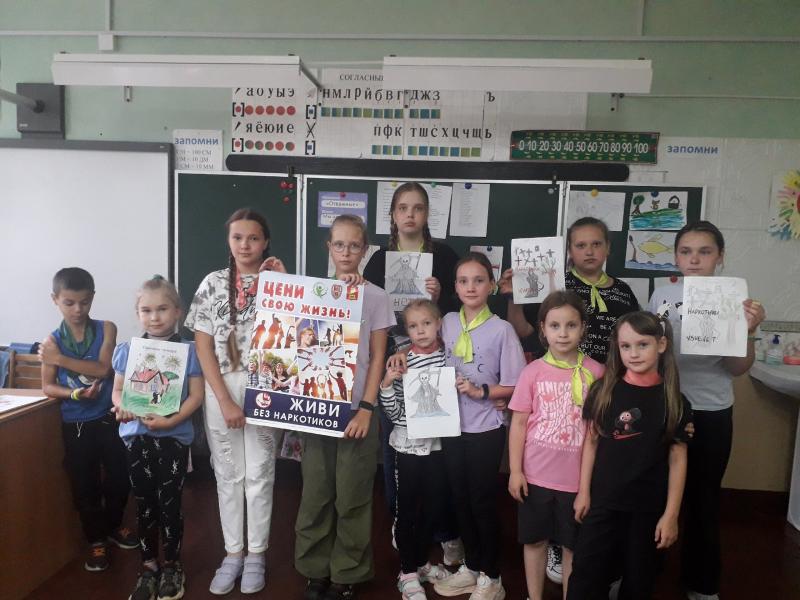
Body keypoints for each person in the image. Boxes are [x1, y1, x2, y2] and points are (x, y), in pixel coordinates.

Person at [499, 216, 639, 582]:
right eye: (580, 245)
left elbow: (637, 339)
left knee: (582, 523)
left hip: (600, 404)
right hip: (542, 453)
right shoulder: (555, 285)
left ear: (608, 248)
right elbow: (523, 328)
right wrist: (514, 295)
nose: (589, 251)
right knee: (539, 532)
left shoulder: (623, 294)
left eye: (596, 244)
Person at [648, 221, 765, 600]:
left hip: (711, 411)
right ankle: (644, 573)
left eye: (705, 252)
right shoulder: (661, 296)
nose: (694, 260)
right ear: (676, 257)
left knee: (703, 500)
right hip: (665, 408)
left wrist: (747, 330)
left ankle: (700, 584)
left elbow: (737, 368)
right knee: (653, 496)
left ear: (720, 256)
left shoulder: (734, 300)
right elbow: (647, 356)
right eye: (686, 252)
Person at [184, 208, 286, 595]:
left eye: (253, 238)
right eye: (237, 237)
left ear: (265, 242)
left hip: (267, 385)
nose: (245, 245)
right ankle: (233, 553)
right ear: (229, 241)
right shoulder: (212, 283)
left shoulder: (278, 281)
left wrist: (284, 281)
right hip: (221, 386)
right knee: (228, 474)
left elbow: (297, 333)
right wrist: (225, 400)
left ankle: (257, 554)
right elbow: (203, 345)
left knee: (260, 473)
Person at [295, 214, 395, 600]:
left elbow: (378, 355)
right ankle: (314, 568)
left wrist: (367, 407)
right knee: (316, 493)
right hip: (317, 406)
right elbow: (294, 337)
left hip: (356, 410)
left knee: (352, 495)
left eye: (354, 245)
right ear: (329, 247)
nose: (346, 252)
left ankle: (347, 571)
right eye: (339, 244)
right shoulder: (314, 291)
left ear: (365, 249)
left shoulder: (377, 296)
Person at [363, 181, 464, 565]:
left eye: (418, 208)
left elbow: (461, 307)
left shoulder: (444, 256)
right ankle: (400, 517)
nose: (410, 214)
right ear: (392, 215)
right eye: (403, 208)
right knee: (395, 441)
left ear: (426, 214)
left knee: (438, 444)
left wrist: (441, 297)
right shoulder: (377, 260)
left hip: (434, 359)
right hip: (394, 357)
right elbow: (367, 311)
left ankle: (442, 528)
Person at [567, 312, 693, 599]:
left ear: (661, 345)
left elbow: (678, 458)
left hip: (647, 508)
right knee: (586, 576)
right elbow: (591, 443)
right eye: (626, 346)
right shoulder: (604, 391)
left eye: (642, 344)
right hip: (603, 503)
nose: (633, 354)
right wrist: (583, 492)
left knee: (639, 581)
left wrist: (671, 515)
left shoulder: (674, 401)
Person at [428, 252, 527, 600]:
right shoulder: (447, 322)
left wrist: (482, 391)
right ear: (455, 287)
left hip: (485, 428)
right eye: (463, 281)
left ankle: (492, 576)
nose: (471, 287)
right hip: (450, 424)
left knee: (482, 501)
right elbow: (425, 352)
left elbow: (516, 385)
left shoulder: (502, 330)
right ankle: (471, 567)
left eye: (479, 280)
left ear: (491, 285)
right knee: (460, 498)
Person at [507, 291, 605, 600]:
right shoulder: (532, 372)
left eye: (571, 325)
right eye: (555, 326)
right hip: (534, 477)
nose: (563, 333)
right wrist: (515, 471)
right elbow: (519, 424)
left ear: (583, 328)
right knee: (535, 541)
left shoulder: (596, 373)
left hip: (574, 482)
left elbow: (594, 435)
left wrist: (585, 489)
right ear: (543, 329)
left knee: (572, 545)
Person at [111, 276, 204, 600]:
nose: (154, 317)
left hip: (172, 438)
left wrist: (171, 421)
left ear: (177, 311)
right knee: (144, 504)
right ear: (138, 313)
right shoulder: (128, 352)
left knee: (170, 504)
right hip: (137, 439)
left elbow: (196, 396)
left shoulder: (190, 351)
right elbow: (118, 391)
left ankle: (172, 566)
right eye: (146, 310)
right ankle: (149, 566)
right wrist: (122, 406)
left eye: (162, 309)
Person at [39, 267, 135, 572]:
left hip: (108, 418)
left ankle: (113, 525)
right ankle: (96, 540)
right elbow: (48, 386)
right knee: (85, 484)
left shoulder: (107, 328)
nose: (78, 309)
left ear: (92, 297)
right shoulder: (52, 340)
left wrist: (59, 359)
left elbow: (104, 368)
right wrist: (75, 394)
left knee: (120, 477)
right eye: (69, 303)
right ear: (55, 300)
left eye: (84, 302)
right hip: (75, 423)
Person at [379, 299, 452, 600]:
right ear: (406, 330)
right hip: (408, 446)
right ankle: (407, 573)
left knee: (434, 507)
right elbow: (394, 412)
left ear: (438, 324)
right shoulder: (401, 361)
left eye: (426, 323)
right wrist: (387, 383)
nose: (420, 331)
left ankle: (420, 562)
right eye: (413, 326)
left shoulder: (448, 356)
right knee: (407, 510)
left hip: (439, 446)